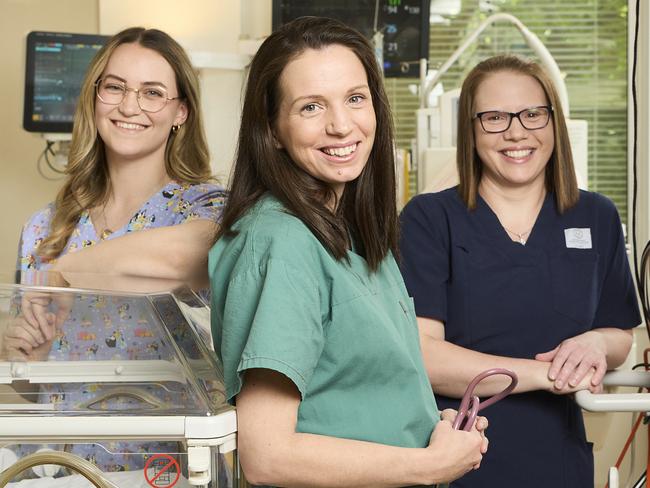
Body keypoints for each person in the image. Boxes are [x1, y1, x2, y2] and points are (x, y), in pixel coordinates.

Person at [209, 16, 487, 488]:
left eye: (355, 99)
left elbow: (351, 393)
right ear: (272, 128)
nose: (342, 126)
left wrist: (431, 432)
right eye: (311, 107)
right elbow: (268, 455)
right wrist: (428, 465)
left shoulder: (353, 235)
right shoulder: (283, 241)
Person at [399, 54, 641, 488]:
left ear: (554, 123)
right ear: (470, 131)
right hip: (460, 454)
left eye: (532, 114)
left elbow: (619, 336)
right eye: (494, 117)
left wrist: (593, 343)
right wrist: (549, 375)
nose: (516, 131)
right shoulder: (429, 219)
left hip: (559, 458)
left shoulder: (596, 216)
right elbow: (424, 355)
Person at [5, 26, 227, 476]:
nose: (129, 106)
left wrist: (68, 271)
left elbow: (186, 258)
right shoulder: (44, 229)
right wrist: (22, 356)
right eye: (116, 87)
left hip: (165, 469)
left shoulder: (206, 208)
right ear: (95, 96)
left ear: (181, 111)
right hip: (57, 469)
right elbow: (32, 390)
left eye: (152, 93)